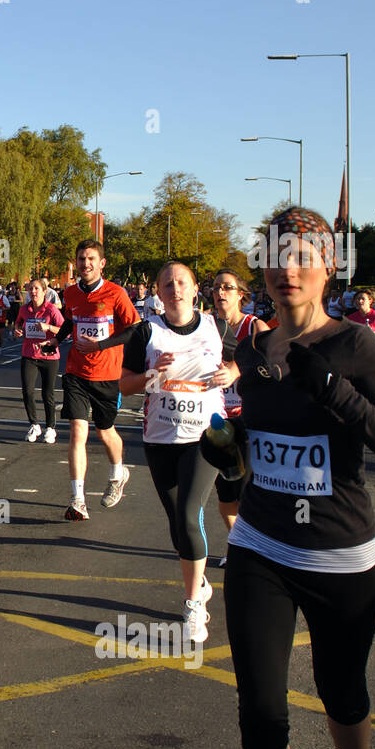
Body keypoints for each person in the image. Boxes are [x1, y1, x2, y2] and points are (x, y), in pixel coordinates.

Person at [206, 206, 375, 749]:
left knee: (342, 692)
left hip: (341, 557)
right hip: (260, 547)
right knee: (262, 712)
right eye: (275, 257)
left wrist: (333, 391)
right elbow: (258, 452)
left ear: (329, 267)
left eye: (303, 257)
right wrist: (229, 451)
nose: (287, 270)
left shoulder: (353, 344)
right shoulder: (251, 350)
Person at [111, 262, 224, 643]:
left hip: (205, 436)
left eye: (182, 282)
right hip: (160, 438)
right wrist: (151, 375)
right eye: (167, 284)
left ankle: (193, 604)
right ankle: (201, 578)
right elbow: (124, 385)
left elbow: (254, 355)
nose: (175, 289)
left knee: (191, 514)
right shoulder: (147, 332)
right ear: (157, 292)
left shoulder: (215, 326)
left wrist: (236, 372)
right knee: (177, 521)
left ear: (195, 289)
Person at [43, 240, 139, 521]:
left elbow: (134, 329)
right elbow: (70, 321)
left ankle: (118, 472)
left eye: (91, 259)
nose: (86, 264)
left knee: (105, 432)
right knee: (76, 431)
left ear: (101, 263)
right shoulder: (70, 293)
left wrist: (101, 345)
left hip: (107, 374)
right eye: (82, 259)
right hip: (76, 371)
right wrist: (56, 341)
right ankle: (77, 499)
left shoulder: (116, 293)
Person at [209, 269, 268, 553]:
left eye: (227, 287)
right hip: (215, 420)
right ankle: (238, 542)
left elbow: (272, 370)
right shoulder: (204, 326)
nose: (221, 292)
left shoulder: (256, 328)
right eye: (216, 287)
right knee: (225, 494)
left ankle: (251, 548)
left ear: (240, 294)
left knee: (246, 491)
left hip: (248, 419)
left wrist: (237, 369)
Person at [15, 277, 64, 443]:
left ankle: (50, 427)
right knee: (27, 391)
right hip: (29, 355)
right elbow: (17, 325)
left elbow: (65, 331)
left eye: (36, 289)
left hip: (49, 356)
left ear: (44, 291)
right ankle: (34, 424)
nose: (33, 292)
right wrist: (17, 331)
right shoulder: (24, 310)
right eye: (30, 289)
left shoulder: (51, 310)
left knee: (47, 393)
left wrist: (48, 327)